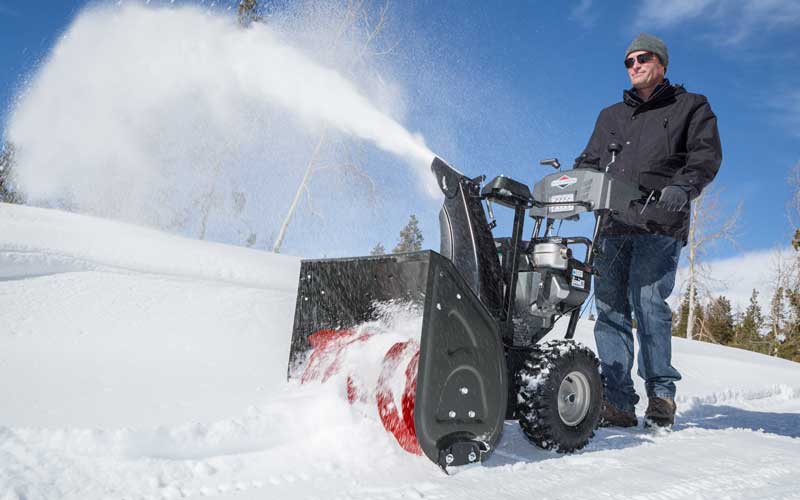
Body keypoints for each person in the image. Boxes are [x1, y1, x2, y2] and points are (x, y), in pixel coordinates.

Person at [575, 33, 722, 428]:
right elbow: (588, 161)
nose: (634, 65)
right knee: (609, 312)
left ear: (662, 63)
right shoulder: (611, 115)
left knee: (649, 305)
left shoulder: (691, 106)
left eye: (642, 58)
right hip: (612, 225)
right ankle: (618, 401)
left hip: (659, 221)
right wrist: (578, 187)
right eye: (628, 61)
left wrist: (683, 187)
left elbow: (705, 156)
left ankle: (660, 395)